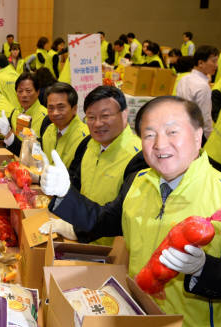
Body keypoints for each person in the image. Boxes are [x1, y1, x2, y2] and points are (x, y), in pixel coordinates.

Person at [40, 95, 221, 327]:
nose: (160, 144)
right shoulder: (138, 183)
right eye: (149, 135)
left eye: (172, 131)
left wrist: (205, 270)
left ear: (199, 135)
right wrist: (65, 195)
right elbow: (102, 220)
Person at [42, 86, 145, 246]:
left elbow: (118, 216)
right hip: (79, 243)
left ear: (124, 115)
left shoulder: (139, 156)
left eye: (105, 116)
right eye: (91, 117)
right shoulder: (88, 144)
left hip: (111, 252)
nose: (97, 124)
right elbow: (74, 184)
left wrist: (75, 230)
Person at [20, 82, 87, 167]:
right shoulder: (49, 129)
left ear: (74, 109)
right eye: (51, 108)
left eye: (61, 107)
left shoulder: (85, 138)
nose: (55, 113)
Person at [0, 72, 49, 156]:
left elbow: (42, 151)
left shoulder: (46, 117)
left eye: (28, 91)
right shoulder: (16, 112)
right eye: (20, 91)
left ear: (37, 92)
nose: (24, 95)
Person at [176, 45, 219, 138]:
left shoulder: (184, 79)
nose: (216, 65)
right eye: (214, 61)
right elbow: (205, 117)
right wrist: (209, 137)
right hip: (195, 132)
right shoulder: (203, 86)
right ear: (200, 63)